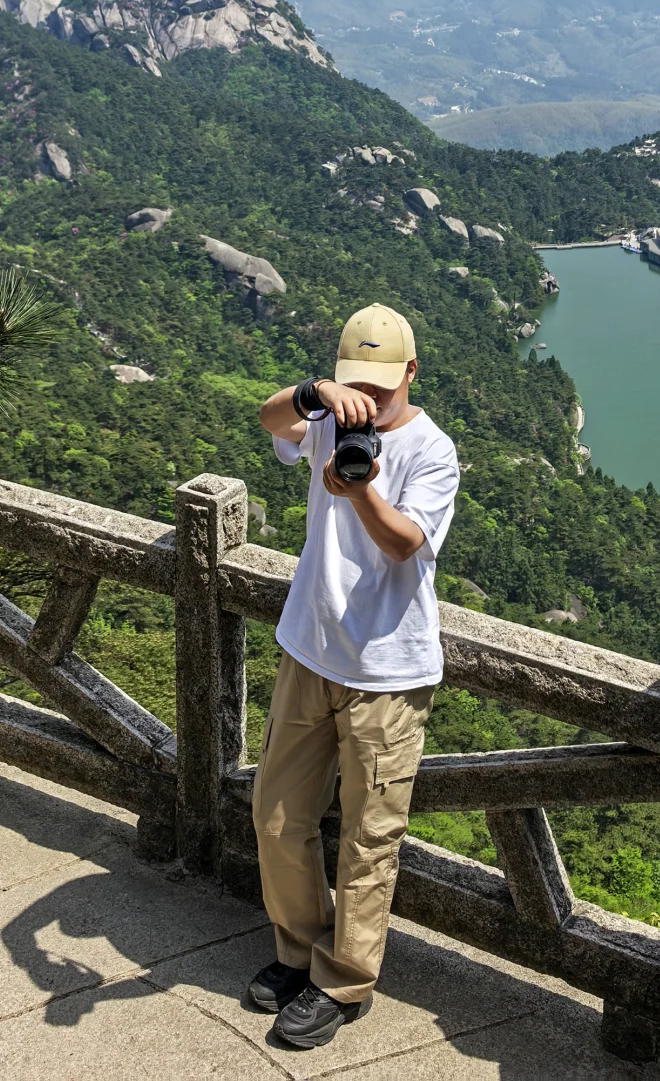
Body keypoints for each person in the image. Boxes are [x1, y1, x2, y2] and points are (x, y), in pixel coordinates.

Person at [247, 303, 460, 1050]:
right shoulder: (330, 418)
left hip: (388, 670)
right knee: (277, 817)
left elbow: (406, 544)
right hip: (310, 648)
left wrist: (357, 486)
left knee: (369, 838)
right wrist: (311, 398)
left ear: (411, 371)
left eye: (382, 382)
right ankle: (297, 952)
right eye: (354, 383)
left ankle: (342, 984)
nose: (369, 398)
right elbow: (270, 421)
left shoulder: (433, 450)